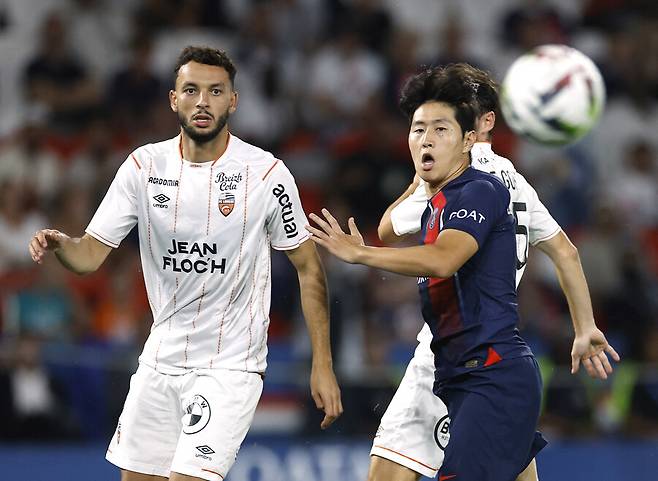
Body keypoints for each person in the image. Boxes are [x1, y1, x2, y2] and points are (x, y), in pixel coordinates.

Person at [28, 46, 342, 481]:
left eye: (216, 91)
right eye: (191, 90)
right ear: (173, 99)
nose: (203, 101)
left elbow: (309, 269)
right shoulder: (142, 167)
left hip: (230, 366)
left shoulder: (266, 174)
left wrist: (322, 364)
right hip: (159, 360)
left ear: (233, 101)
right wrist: (63, 244)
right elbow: (90, 255)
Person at [306, 67, 616, 481]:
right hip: (461, 355)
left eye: (441, 126)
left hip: (478, 357)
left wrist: (365, 250)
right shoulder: (510, 181)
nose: (427, 137)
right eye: (418, 129)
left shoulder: (472, 183)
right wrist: (584, 326)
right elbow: (565, 250)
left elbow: (398, 235)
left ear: (477, 127)